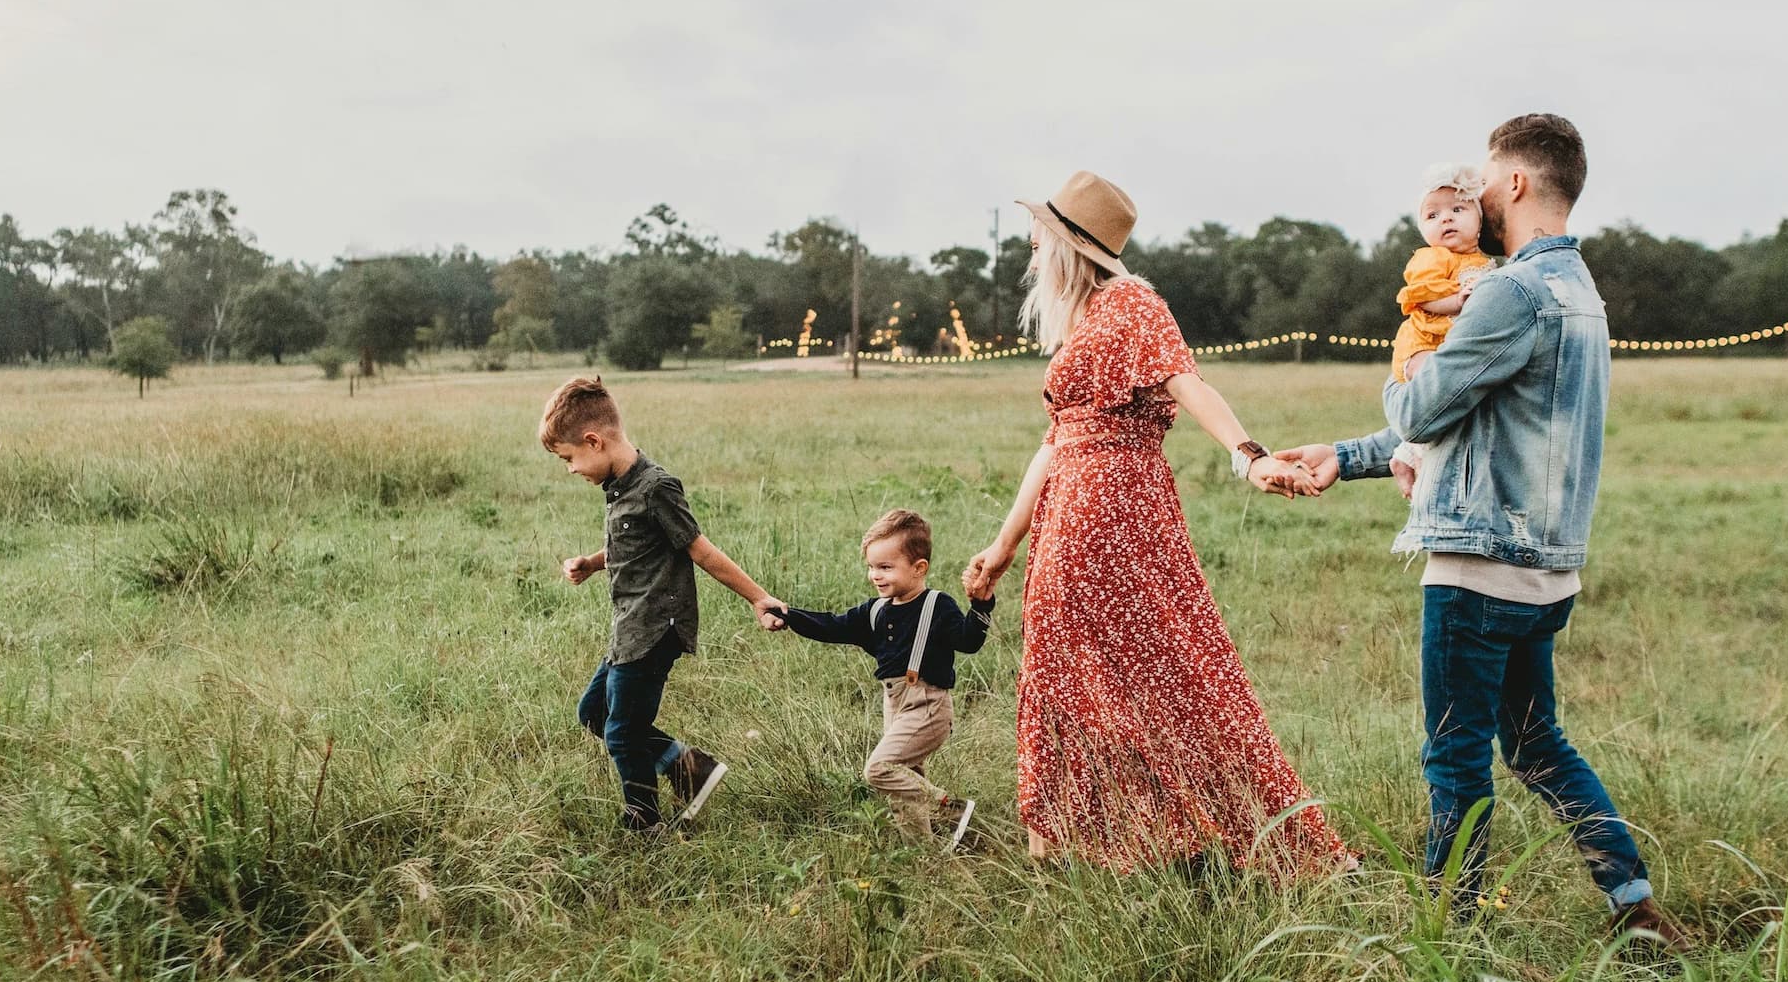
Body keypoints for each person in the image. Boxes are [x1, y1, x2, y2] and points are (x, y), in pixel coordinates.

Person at [1276, 115, 1692, 949]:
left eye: (1486, 179)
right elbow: (1477, 421)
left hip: (1478, 567)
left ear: (1517, 184)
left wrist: (1406, 373)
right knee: (1536, 744)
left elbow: (1426, 406)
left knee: (1454, 757)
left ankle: (1446, 933)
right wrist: (1347, 456)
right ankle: (1634, 903)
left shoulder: (1509, 291)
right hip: (1546, 571)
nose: (1474, 197)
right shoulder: (1581, 292)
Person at [963, 170, 1354, 877]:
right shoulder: (1083, 319)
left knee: (1170, 668)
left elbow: (1188, 382)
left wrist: (1248, 456)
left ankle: (1203, 833)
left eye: (1038, 235)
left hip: (1114, 508)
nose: (1028, 247)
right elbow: (1054, 443)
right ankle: (1081, 840)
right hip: (1071, 512)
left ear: (1068, 245)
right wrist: (1002, 545)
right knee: (1068, 672)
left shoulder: (1132, 302)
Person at [539, 375, 781, 834]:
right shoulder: (620, 488)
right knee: (593, 713)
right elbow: (636, 547)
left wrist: (759, 598)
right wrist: (593, 562)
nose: (570, 469)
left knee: (622, 732)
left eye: (569, 459)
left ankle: (644, 822)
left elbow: (701, 550)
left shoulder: (656, 488)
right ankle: (690, 768)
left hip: (654, 628)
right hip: (628, 627)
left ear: (594, 441)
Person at [769, 509, 993, 850]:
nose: (875, 575)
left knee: (880, 769)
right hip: (895, 705)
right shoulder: (875, 611)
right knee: (905, 787)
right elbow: (832, 626)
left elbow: (969, 642)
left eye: (886, 567)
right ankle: (925, 858)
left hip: (929, 706)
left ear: (919, 568)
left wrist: (981, 605)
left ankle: (949, 809)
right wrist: (788, 616)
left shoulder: (937, 605)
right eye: (872, 567)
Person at [1388, 164, 1495, 500]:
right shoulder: (1432, 258)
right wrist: (1456, 300)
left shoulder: (1484, 263)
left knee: (1449, 400)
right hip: (1422, 342)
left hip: (1447, 343)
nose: (1445, 219)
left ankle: (1408, 456)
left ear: (1479, 221)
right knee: (1435, 390)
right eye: (1432, 215)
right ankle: (1409, 457)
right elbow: (1422, 296)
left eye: (1458, 210)